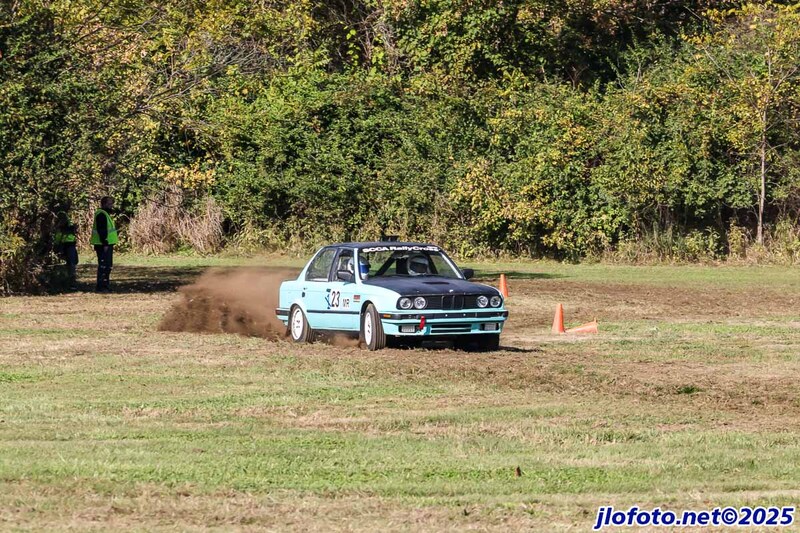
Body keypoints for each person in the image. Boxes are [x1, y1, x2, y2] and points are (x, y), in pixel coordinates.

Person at [90, 196, 118, 292]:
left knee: (107, 266)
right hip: (103, 244)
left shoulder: (105, 214)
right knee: (104, 266)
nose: (111, 206)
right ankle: (101, 286)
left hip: (105, 243)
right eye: (110, 204)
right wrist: (105, 242)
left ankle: (105, 285)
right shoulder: (101, 214)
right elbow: (101, 230)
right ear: (104, 204)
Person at [53, 209, 78, 290]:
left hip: (69, 245)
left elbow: (58, 236)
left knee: (72, 264)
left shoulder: (67, 225)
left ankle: (70, 282)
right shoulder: (66, 226)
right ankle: (70, 283)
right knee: (71, 264)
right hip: (66, 246)